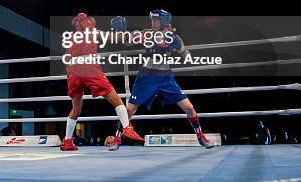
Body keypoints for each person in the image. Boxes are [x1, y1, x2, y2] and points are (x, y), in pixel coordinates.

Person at [112, 10, 214, 149]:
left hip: (165, 77)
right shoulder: (146, 34)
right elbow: (127, 42)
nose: (152, 22)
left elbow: (186, 55)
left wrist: (179, 47)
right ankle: (117, 139)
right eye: (152, 20)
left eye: (156, 20)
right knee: (129, 110)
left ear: (164, 22)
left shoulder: (174, 37)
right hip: (146, 77)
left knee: (189, 108)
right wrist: (121, 31)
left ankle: (200, 136)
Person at [61, 13, 143, 151]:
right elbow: (116, 37)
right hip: (89, 69)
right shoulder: (92, 32)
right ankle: (127, 128)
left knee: (75, 109)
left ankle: (67, 141)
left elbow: (67, 61)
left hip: (73, 72)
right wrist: (130, 34)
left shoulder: (70, 38)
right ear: (87, 23)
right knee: (116, 100)